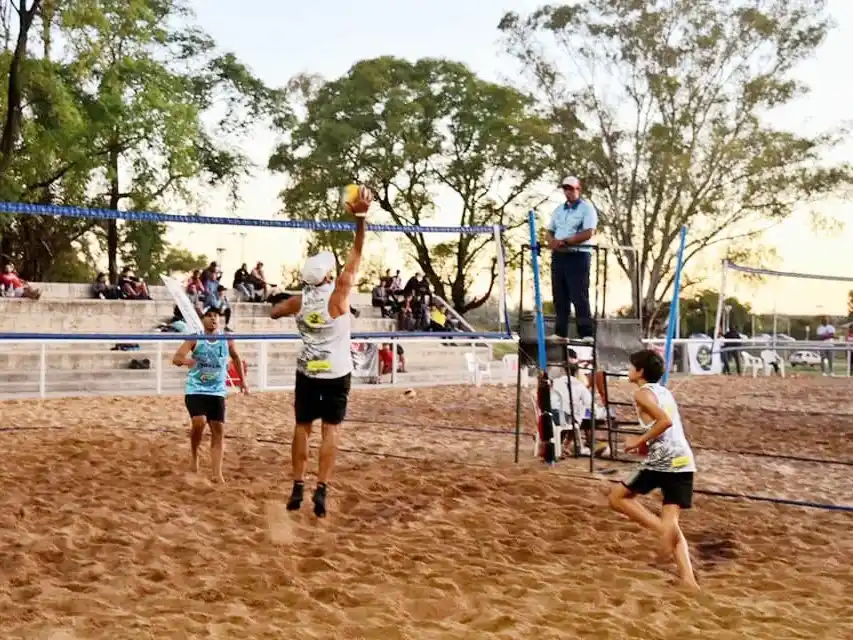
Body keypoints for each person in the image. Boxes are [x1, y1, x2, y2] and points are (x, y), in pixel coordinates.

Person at [270, 189, 371, 518]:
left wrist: (287, 301)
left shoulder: (299, 301)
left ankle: (298, 484)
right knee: (331, 430)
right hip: (336, 372)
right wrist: (360, 217)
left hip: (309, 370)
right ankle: (322, 488)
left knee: (302, 427)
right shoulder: (339, 293)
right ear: (328, 276)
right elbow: (357, 250)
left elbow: (275, 312)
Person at [608, 349, 699, 591]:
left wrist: (637, 441)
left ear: (640, 372)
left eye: (631, 367)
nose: (628, 370)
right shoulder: (664, 391)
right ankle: (688, 579)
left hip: (664, 460)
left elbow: (664, 422)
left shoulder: (642, 394)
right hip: (684, 460)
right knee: (672, 521)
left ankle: (663, 532)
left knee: (617, 497)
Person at [172, 306, 248, 483]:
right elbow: (176, 358)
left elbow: (236, 357)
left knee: (218, 429)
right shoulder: (195, 338)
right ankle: (194, 455)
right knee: (199, 423)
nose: (213, 319)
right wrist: (186, 361)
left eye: (216, 316)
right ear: (203, 320)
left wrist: (242, 381)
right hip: (195, 389)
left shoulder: (226, 339)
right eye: (209, 316)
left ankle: (217, 473)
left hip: (217, 391)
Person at [545, 176, 597, 342]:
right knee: (559, 296)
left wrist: (566, 241)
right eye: (565, 188)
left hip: (578, 255)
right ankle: (561, 332)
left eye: (571, 188)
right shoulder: (559, 210)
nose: (568, 192)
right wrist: (552, 242)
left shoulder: (587, 209)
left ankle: (586, 333)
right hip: (559, 256)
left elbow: (589, 232)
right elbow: (549, 230)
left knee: (579, 294)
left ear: (578, 189)